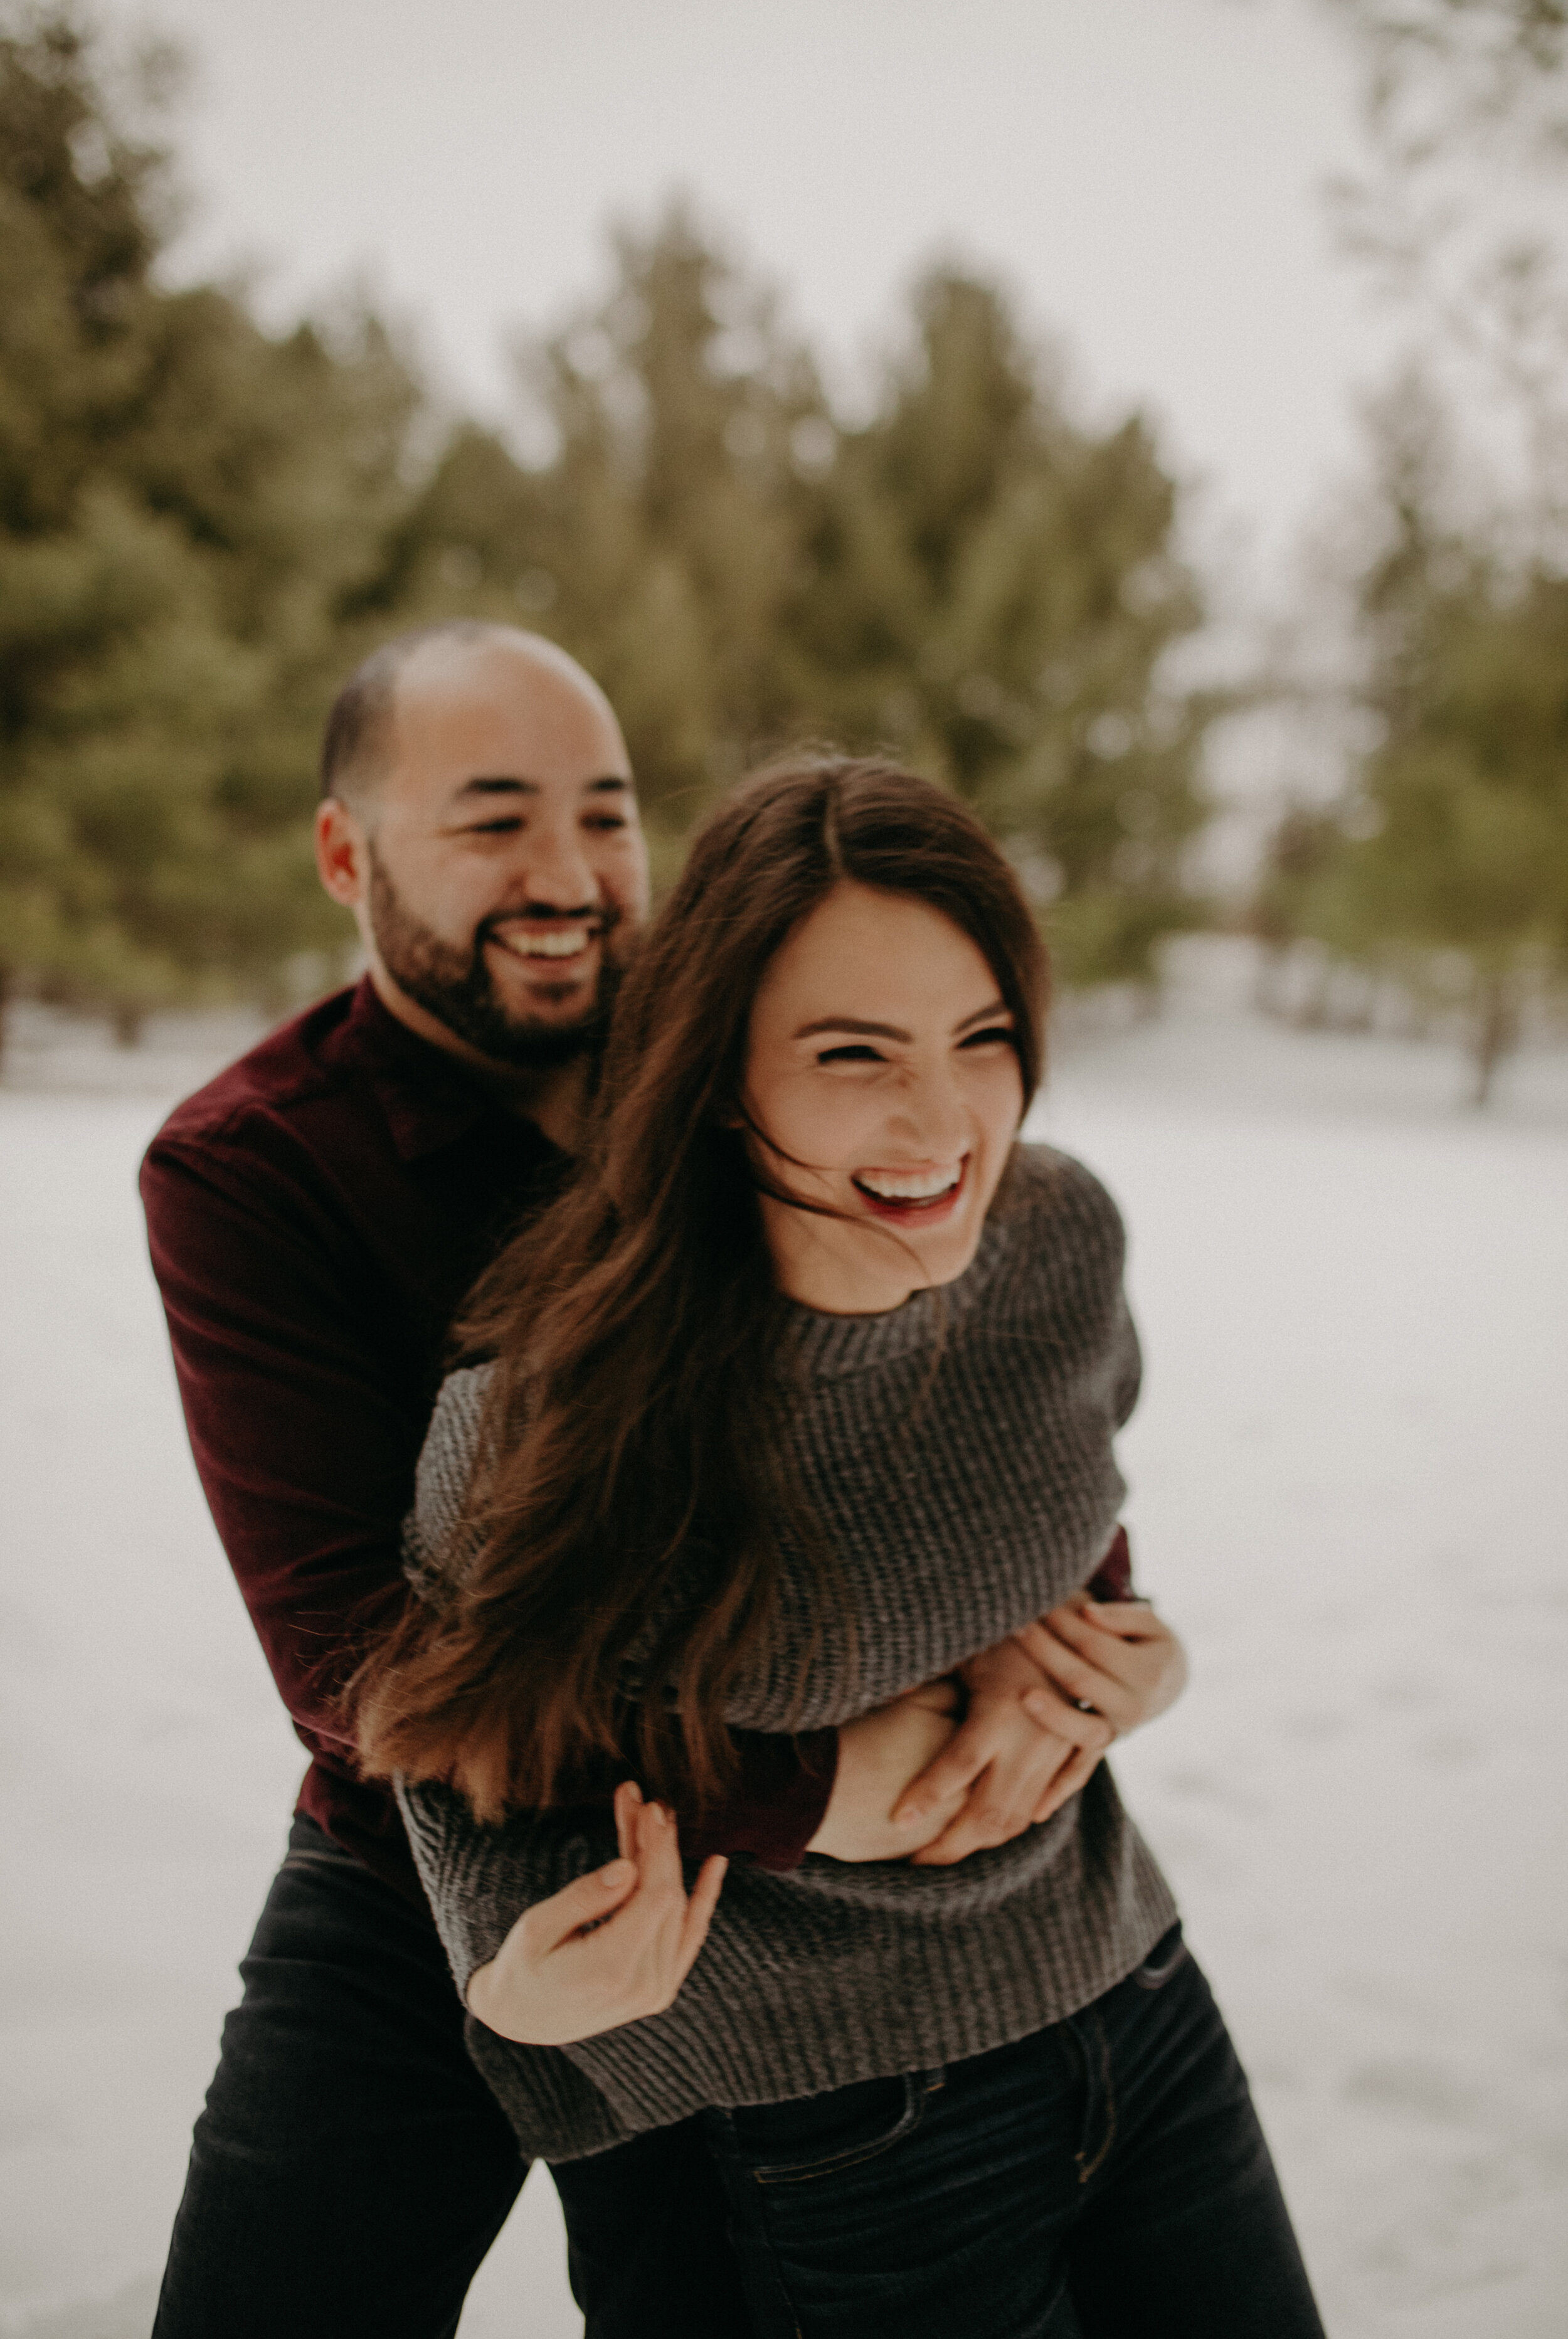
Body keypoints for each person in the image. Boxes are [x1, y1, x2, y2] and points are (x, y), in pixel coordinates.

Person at [140, 625, 1170, 2338]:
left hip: (754, 1926)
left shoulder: (742, 1054)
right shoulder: (252, 1165)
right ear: (345, 851)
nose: (567, 875)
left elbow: (964, 1363)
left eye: (605, 815)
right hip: (437, 1857)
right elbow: (361, 1666)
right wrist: (793, 1788)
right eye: (491, 820)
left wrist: (1076, 1621)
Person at [355, 754, 1326, 2338]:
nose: (942, 1119)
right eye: (850, 1052)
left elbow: (1061, 1505)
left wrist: (1113, 1658)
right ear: (716, 1070)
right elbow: (471, 1776)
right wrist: (517, 1990)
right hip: (841, 2127)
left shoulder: (1054, 1238)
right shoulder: (557, 1416)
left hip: (1135, 1996)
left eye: (982, 1039)